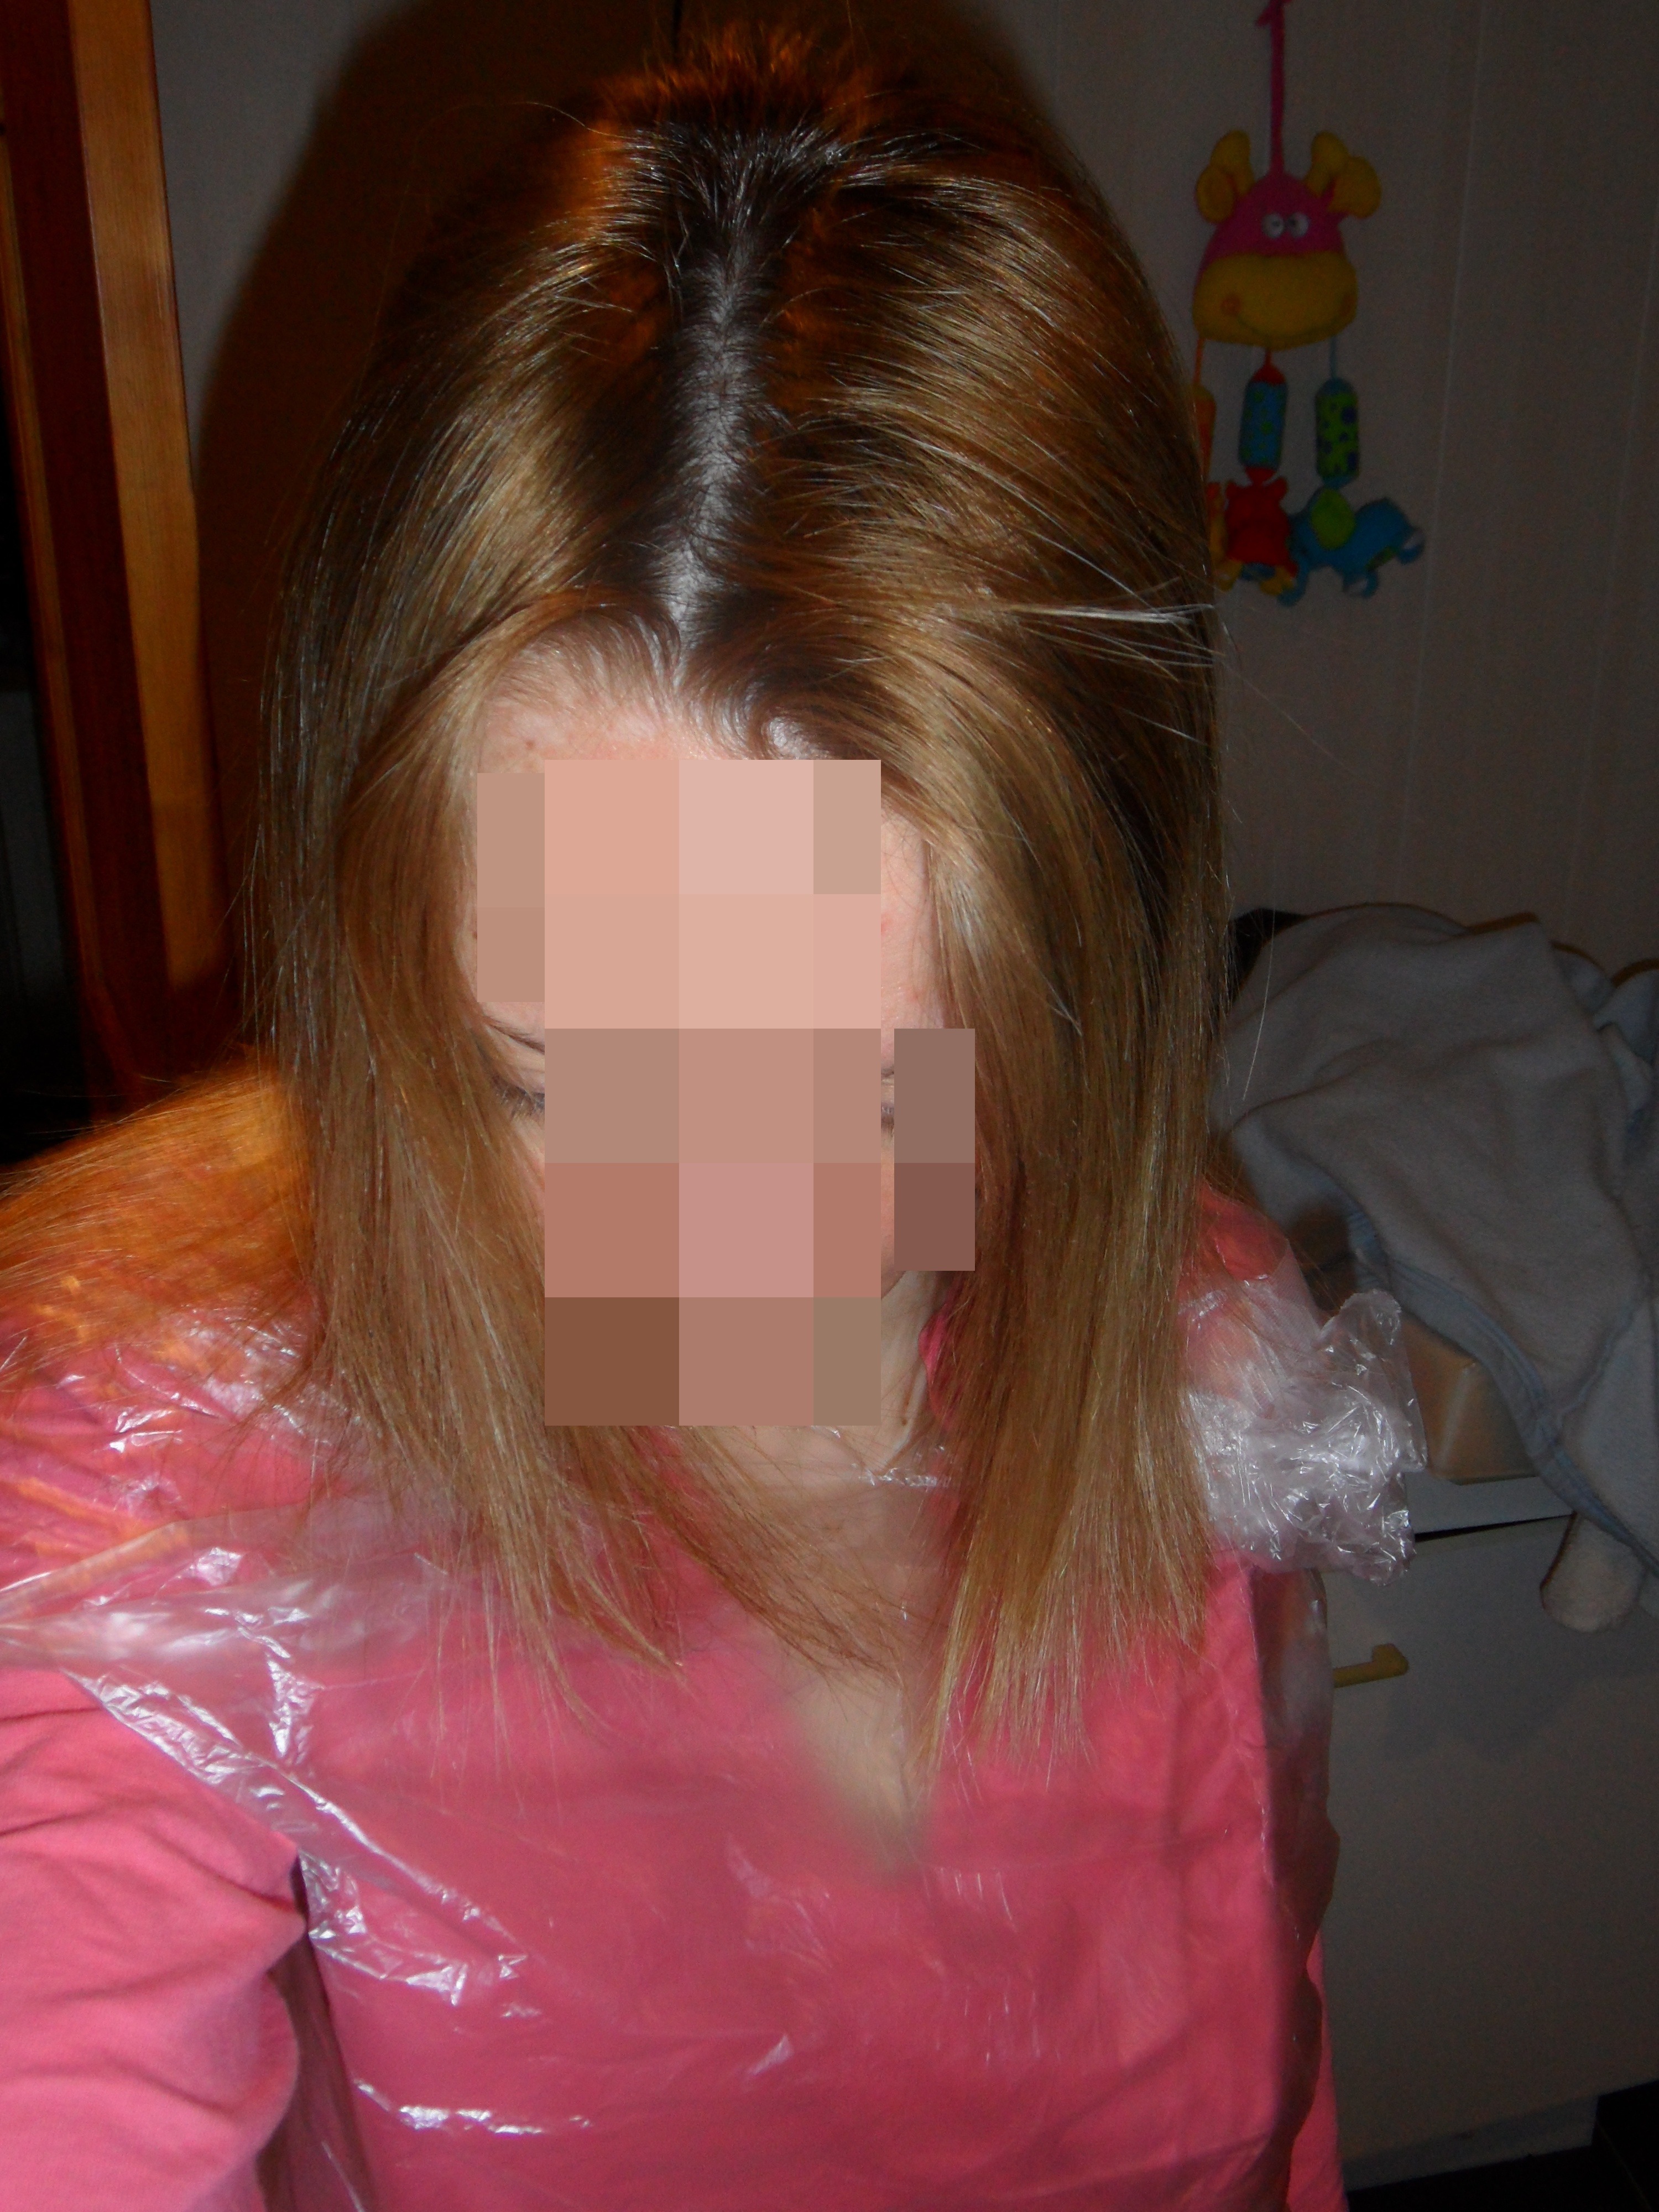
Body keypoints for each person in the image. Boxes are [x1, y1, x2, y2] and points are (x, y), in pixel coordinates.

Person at [0, 28, 1407, 2209]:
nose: (714, 1248)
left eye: (850, 1085)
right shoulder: (159, 1471)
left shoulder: (1198, 1358)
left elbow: (1275, 2084)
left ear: (1086, 990)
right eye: (554, 1074)